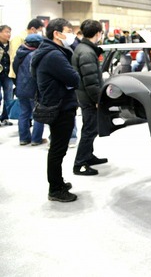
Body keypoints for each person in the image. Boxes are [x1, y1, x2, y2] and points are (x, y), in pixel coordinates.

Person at [31, 18, 80, 202]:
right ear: (57, 34)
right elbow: (74, 78)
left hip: (57, 103)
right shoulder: (54, 55)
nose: (71, 35)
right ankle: (55, 189)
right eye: (68, 31)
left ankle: (58, 182)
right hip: (60, 107)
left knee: (58, 148)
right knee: (58, 150)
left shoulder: (49, 51)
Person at [71, 19, 108, 176]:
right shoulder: (87, 52)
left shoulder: (84, 48)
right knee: (89, 129)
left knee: (91, 128)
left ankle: (88, 156)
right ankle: (80, 163)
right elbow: (91, 81)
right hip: (88, 98)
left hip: (85, 96)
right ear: (98, 33)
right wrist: (98, 100)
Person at [12, 34, 46, 146]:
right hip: (34, 89)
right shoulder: (36, 55)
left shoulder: (19, 54)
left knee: (24, 114)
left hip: (21, 88)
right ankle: (36, 139)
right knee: (38, 114)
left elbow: (15, 69)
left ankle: (24, 138)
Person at [0, 24, 14, 126]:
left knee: (8, 97)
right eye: (6, 32)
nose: (9, 34)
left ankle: (5, 117)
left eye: (9, 32)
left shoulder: (11, 45)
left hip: (8, 74)